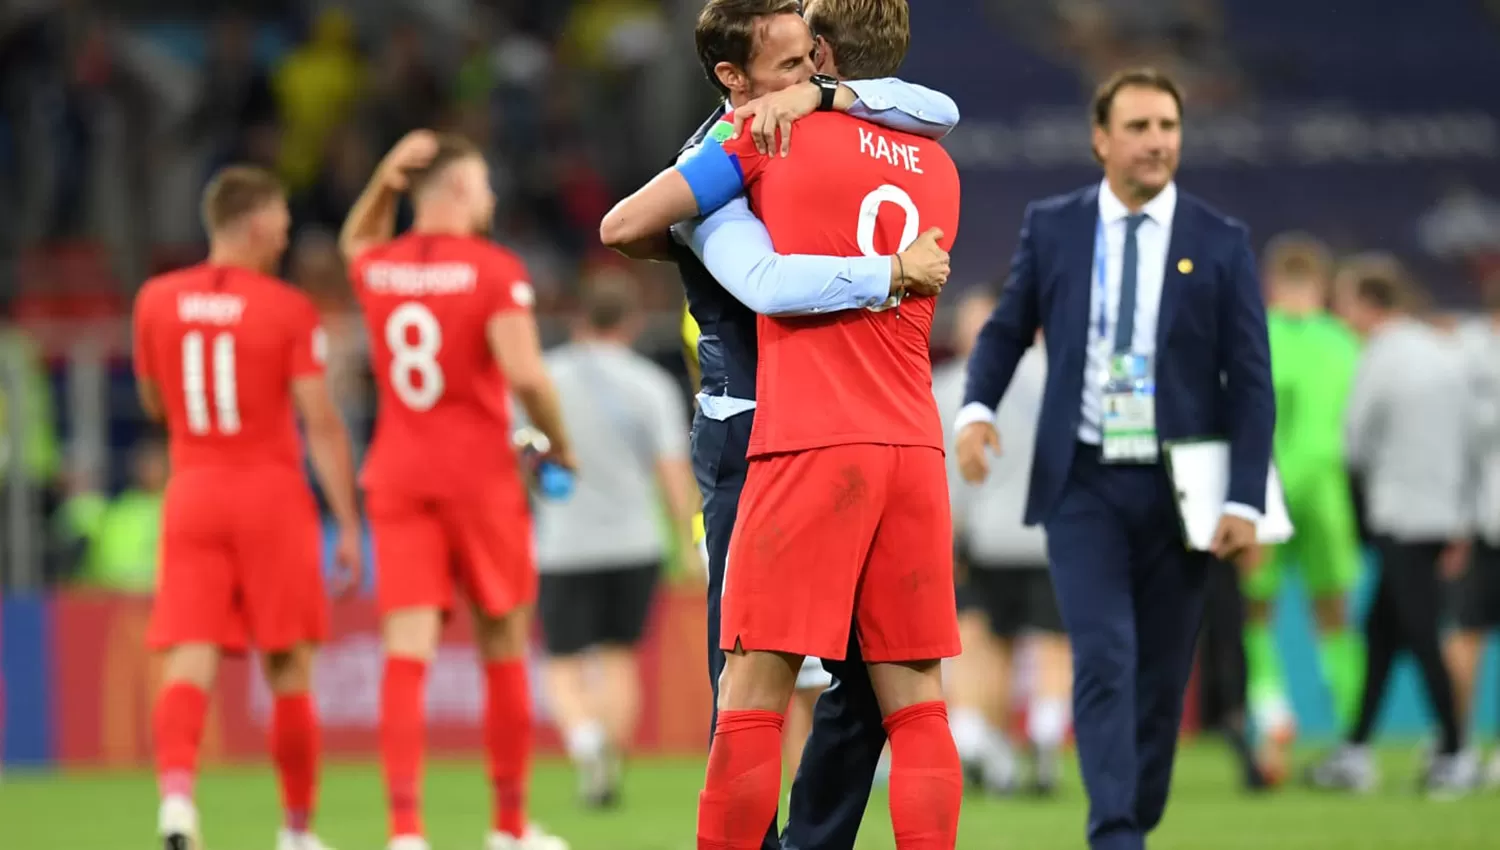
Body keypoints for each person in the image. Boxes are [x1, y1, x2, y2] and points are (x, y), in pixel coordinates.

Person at [603, 1, 966, 845]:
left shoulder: (777, 139)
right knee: (909, 701)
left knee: (754, 698)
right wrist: (887, 271)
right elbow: (942, 109)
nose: (801, 80)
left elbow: (637, 232)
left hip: (803, 439)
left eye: (810, 63)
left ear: (830, 57)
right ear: (734, 77)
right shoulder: (933, 158)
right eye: (788, 67)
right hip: (896, 437)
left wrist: (818, 105)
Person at [956, 67, 1274, 850]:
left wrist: (1244, 500)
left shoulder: (1220, 240)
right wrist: (974, 409)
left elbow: (1252, 384)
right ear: (1102, 139)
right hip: (1083, 483)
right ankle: (1115, 833)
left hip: (1180, 490)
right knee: (1103, 656)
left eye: (1168, 126)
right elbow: (1003, 330)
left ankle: (1136, 807)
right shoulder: (1053, 225)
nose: (1157, 141)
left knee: (1162, 682)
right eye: (1138, 127)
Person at [340, 131, 574, 850]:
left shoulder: (380, 267)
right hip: (479, 475)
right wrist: (561, 444)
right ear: (460, 192)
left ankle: (406, 832)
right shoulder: (493, 269)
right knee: (503, 639)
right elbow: (528, 375)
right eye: (484, 184)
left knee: (405, 652)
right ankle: (507, 828)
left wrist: (384, 179)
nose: (495, 198)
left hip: (399, 474)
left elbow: (355, 240)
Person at [134, 165, 362, 850]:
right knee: (289, 666)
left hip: (194, 489)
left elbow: (153, 403)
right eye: (283, 221)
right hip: (270, 496)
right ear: (256, 222)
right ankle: (295, 831)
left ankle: (177, 803)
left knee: (188, 657)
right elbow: (320, 422)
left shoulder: (155, 299)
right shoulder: (287, 309)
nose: (288, 234)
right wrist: (348, 522)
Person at [1306, 268, 1478, 796]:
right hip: (1442, 512)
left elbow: (1355, 437)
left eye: (1347, 304)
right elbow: (1471, 438)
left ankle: (1454, 751)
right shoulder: (1443, 351)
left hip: (1399, 511)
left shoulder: (1380, 356)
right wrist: (1461, 516)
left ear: (1366, 303)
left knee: (1421, 634)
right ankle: (1355, 750)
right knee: (1381, 637)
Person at [532, 276, 696, 808]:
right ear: (630, 323)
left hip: (563, 542)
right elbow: (673, 473)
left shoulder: (546, 379)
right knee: (620, 658)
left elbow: (521, 459)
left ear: (580, 319)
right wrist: (690, 541)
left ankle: (585, 743)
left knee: (562, 662)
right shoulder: (650, 384)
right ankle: (609, 755)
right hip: (634, 544)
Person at [935, 289, 1072, 795]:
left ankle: (981, 743)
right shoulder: (1058, 374)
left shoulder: (952, 385)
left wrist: (947, 540)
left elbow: (943, 472)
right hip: (1051, 534)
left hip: (985, 536)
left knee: (984, 644)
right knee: (1055, 645)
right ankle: (1043, 732)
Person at [1241, 233, 1364, 781]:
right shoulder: (1345, 341)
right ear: (1323, 285)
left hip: (1265, 490)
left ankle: (1272, 716)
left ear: (1270, 284)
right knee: (1334, 614)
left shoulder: (1257, 334)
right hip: (1330, 492)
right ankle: (1351, 735)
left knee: (1256, 612)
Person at [1446, 275, 1500, 787]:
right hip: (1483, 518)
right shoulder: (1468, 352)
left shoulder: (1468, 355)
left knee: (1465, 634)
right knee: (1464, 634)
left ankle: (1457, 745)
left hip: (1484, 518)